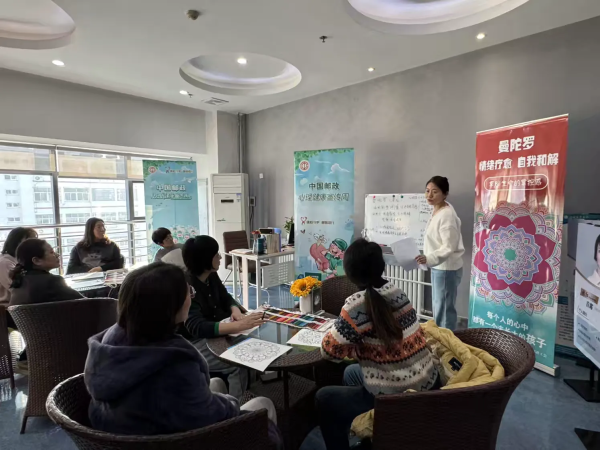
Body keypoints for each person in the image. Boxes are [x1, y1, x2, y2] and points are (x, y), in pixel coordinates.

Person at [85, 262, 281, 447]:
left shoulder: (111, 339)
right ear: (170, 306)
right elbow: (212, 413)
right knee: (264, 404)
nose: (191, 296)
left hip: (123, 430)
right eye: (188, 291)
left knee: (216, 383)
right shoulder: (174, 364)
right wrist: (231, 404)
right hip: (174, 441)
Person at [317, 238, 438, 450]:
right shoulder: (397, 292)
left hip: (397, 396)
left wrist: (354, 346)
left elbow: (329, 352)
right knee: (350, 373)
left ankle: (374, 428)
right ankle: (371, 431)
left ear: (350, 273)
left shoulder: (355, 305)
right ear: (381, 267)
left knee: (323, 398)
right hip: (428, 384)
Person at [182, 235, 265, 398]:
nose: (220, 257)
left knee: (255, 344)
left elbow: (225, 296)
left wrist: (235, 309)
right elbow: (196, 327)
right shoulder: (187, 287)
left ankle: (253, 390)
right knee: (237, 362)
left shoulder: (211, 275)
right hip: (196, 342)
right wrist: (237, 326)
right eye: (216, 255)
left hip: (219, 332)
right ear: (205, 259)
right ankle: (237, 407)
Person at [415, 176, 465, 331]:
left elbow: (448, 247)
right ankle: (442, 339)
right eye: (427, 191)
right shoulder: (439, 210)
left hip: (445, 269)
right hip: (440, 267)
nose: (429, 195)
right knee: (441, 306)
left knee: (444, 312)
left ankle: (446, 342)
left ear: (445, 194)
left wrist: (429, 258)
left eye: (435, 192)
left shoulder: (446, 215)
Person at [9, 239, 83, 307]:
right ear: (37, 261)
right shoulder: (52, 281)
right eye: (51, 252)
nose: (57, 255)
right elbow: (85, 303)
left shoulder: (18, 281)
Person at [0, 227, 38, 319]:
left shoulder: (20, 260)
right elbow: (18, 289)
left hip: (21, 307)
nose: (34, 244)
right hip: (9, 311)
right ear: (16, 242)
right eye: (29, 241)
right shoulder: (5, 262)